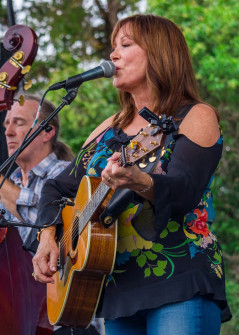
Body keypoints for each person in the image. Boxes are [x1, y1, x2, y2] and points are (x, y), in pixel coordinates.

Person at [32, 14, 232, 335]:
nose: (113, 55)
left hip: (178, 282)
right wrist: (47, 236)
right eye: (113, 46)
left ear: (159, 53)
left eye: (125, 45)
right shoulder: (107, 129)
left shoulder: (194, 115)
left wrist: (139, 181)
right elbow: (57, 187)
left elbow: (183, 192)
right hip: (114, 290)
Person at [0, 94, 74, 335]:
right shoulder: (7, 184)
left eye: (19, 123)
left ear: (46, 132)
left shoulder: (65, 173)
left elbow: (39, 224)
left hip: (62, 320)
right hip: (21, 316)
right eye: (6, 124)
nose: (8, 131)